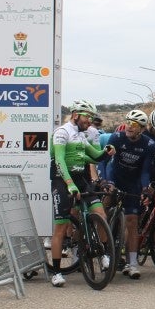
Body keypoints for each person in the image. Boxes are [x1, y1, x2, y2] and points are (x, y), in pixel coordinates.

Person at [49, 99, 108, 287]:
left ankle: (104, 253)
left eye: (91, 118)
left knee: (100, 213)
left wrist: (108, 151)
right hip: (62, 180)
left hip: (81, 180)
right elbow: (59, 160)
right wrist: (69, 184)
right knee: (61, 226)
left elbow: (96, 157)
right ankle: (57, 272)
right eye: (87, 117)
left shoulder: (82, 136)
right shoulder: (62, 132)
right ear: (75, 115)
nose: (89, 121)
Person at [106, 109, 155, 279]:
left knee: (132, 221)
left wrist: (145, 188)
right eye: (128, 122)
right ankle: (102, 248)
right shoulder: (116, 137)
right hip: (115, 177)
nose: (129, 126)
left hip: (133, 183)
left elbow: (145, 171)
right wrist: (108, 182)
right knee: (104, 209)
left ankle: (133, 263)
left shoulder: (148, 145)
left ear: (142, 129)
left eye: (134, 124)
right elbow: (105, 161)